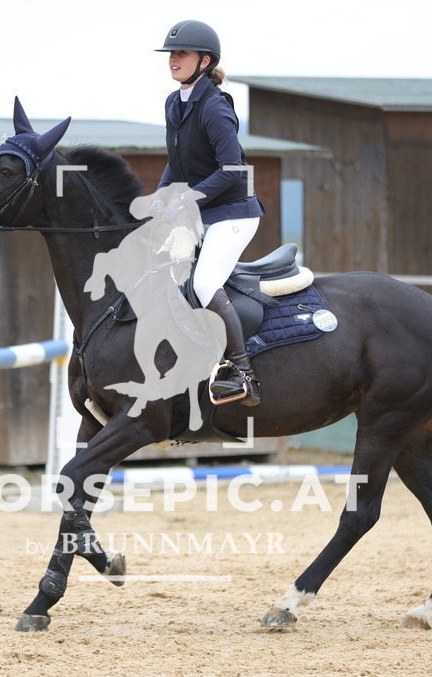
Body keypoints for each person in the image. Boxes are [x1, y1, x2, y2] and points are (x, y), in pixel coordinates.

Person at [154, 20, 265, 406]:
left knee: (202, 284)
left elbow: (234, 169)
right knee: (162, 273)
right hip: (203, 212)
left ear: (204, 61)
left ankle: (243, 374)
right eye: (171, 54)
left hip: (234, 213)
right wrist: (159, 196)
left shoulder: (215, 107)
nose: (173, 60)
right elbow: (177, 163)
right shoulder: (174, 102)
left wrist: (189, 199)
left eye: (181, 54)